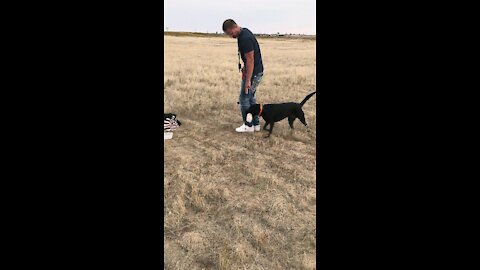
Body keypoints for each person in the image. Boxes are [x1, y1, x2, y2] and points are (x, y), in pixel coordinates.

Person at [223, 19, 264, 133]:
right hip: (256, 72)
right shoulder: (244, 32)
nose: (231, 36)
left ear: (233, 27)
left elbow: (250, 60)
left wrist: (247, 81)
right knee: (251, 98)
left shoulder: (244, 38)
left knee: (244, 98)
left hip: (253, 74)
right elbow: (249, 59)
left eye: (230, 33)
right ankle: (255, 124)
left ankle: (248, 125)